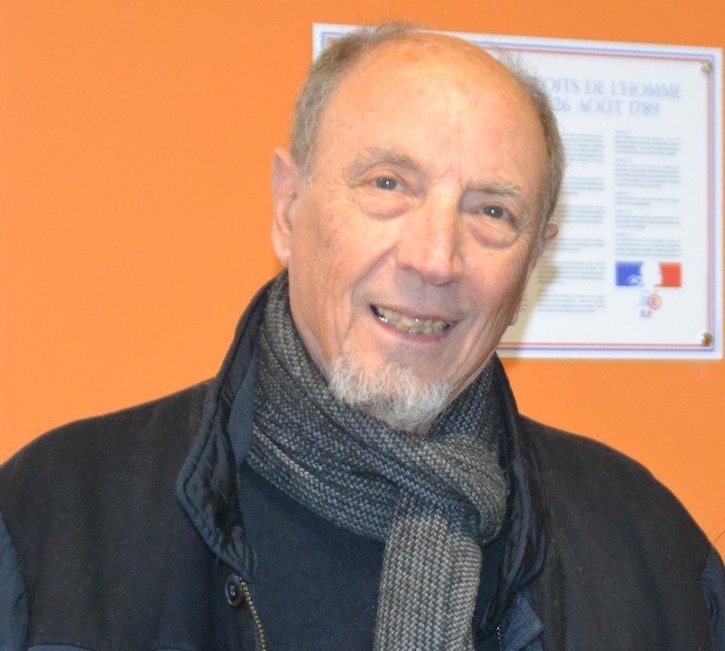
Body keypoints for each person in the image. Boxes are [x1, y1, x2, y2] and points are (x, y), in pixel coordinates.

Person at [0, 23, 723, 651]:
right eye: (387, 184)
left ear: (533, 262)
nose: (434, 259)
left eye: (492, 212)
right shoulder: (56, 519)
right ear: (288, 208)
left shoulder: (651, 555)